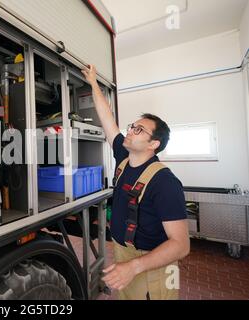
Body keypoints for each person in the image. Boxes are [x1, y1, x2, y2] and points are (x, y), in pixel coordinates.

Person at [82, 64, 190, 300]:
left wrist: (134, 267)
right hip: (124, 259)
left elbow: (181, 245)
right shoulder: (123, 158)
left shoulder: (164, 182)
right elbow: (107, 119)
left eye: (139, 129)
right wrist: (93, 83)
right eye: (132, 126)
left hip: (154, 269)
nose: (130, 131)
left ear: (154, 144)